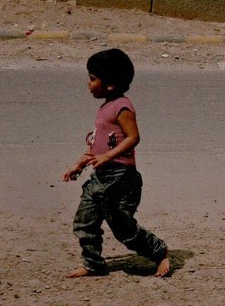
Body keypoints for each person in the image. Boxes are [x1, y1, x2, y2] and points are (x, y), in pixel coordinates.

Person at [62, 48, 170, 277]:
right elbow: (96, 146)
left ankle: (159, 252)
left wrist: (107, 157)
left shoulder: (122, 106)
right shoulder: (104, 108)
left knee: (124, 230)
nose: (88, 84)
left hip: (120, 179)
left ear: (110, 84)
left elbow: (133, 137)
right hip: (100, 177)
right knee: (84, 222)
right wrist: (79, 164)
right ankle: (93, 264)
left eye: (92, 79)